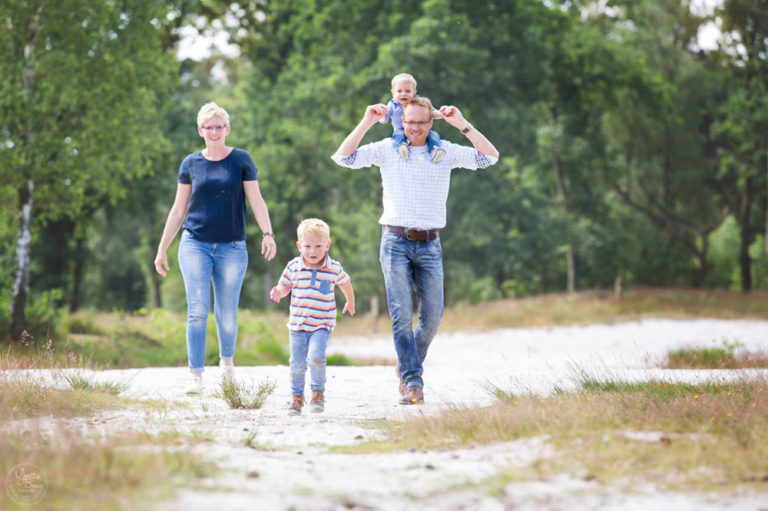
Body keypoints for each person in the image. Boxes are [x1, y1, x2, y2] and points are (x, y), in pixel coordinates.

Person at [331, 97, 499, 405]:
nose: (416, 128)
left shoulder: (444, 151)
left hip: (431, 243)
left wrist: (461, 123)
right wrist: (367, 121)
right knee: (401, 315)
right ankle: (412, 382)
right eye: (410, 122)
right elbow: (343, 158)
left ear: (431, 123)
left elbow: (490, 157)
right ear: (402, 122)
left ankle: (408, 364)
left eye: (422, 122)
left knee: (433, 317)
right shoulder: (387, 149)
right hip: (394, 241)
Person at [154, 102, 277, 394]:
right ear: (200, 131)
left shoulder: (241, 160)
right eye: (208, 127)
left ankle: (227, 365)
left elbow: (256, 201)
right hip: (194, 243)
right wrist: (162, 249)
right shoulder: (190, 164)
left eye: (218, 127)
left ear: (227, 129)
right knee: (197, 310)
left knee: (226, 314)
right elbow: (178, 209)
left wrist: (268, 233)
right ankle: (196, 377)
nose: (213, 131)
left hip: (231, 247)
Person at [270, 218, 356, 416]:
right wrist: (278, 291)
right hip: (298, 326)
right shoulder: (293, 266)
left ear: (327, 245)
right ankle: (297, 398)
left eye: (318, 246)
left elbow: (345, 283)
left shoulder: (333, 268)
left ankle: (318, 393)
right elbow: (285, 286)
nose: (313, 251)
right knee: (297, 363)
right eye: (307, 246)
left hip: (321, 324)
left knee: (316, 357)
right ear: (300, 246)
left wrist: (350, 301)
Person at [383, 73, 446, 163]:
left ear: (414, 93)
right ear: (393, 92)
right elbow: (385, 117)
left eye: (408, 91)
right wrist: (380, 115)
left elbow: (431, 111)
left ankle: (436, 150)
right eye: (399, 91)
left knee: (433, 135)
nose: (403, 94)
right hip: (401, 129)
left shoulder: (419, 102)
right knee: (398, 135)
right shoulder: (392, 105)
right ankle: (401, 147)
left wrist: (441, 114)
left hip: (420, 129)